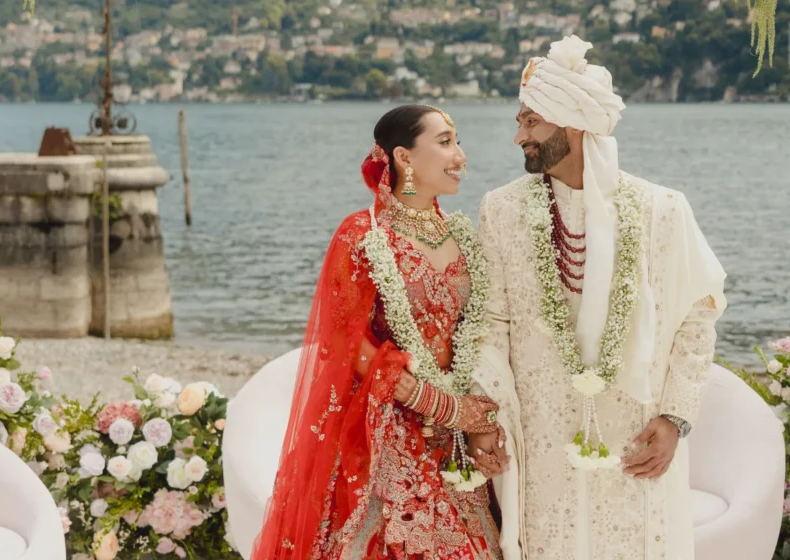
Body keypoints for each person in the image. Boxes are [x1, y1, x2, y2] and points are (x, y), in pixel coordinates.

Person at [468, 36, 728, 559]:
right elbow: (489, 323)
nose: (519, 136)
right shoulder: (501, 210)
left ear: (573, 124)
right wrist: (486, 423)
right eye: (521, 121)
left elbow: (697, 320)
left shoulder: (661, 210)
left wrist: (676, 418)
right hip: (540, 439)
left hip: (636, 434)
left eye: (530, 122)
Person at [250, 105, 504, 560]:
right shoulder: (363, 234)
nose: (460, 155)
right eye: (445, 142)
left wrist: (475, 416)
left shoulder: (464, 235)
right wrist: (427, 398)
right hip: (390, 429)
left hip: (454, 437)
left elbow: (481, 331)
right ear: (404, 158)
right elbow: (345, 341)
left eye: (458, 141)